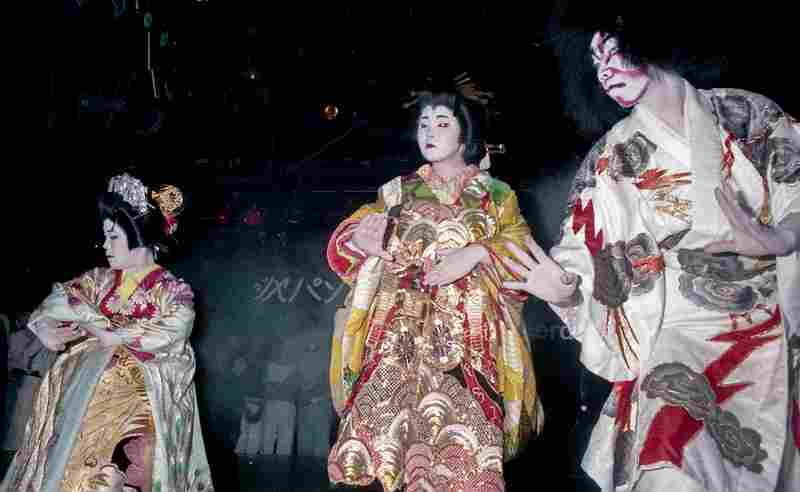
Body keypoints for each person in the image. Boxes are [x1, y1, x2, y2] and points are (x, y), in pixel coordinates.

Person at [503, 10, 799, 492]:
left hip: (775, 321)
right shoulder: (612, 154)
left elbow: (796, 189)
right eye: (594, 62)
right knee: (668, 454)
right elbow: (581, 247)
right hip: (676, 329)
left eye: (613, 52)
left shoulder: (747, 113)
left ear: (650, 39)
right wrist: (566, 290)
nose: (604, 72)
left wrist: (779, 239)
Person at [326, 77, 544, 491]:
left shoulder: (496, 196)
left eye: (442, 123)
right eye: (424, 124)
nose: (429, 132)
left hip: (466, 340)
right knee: (386, 453)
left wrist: (477, 252)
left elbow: (523, 253)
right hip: (397, 337)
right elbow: (349, 239)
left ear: (466, 132)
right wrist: (361, 240)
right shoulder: (396, 192)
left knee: (460, 457)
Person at [1, 173, 214, 492]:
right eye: (105, 237)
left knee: (122, 470)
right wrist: (44, 326)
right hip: (83, 396)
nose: (105, 246)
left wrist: (116, 335)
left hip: (139, 403)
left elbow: (176, 327)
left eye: (113, 237)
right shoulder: (99, 280)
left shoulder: (171, 290)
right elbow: (61, 297)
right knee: (67, 469)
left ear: (139, 234)